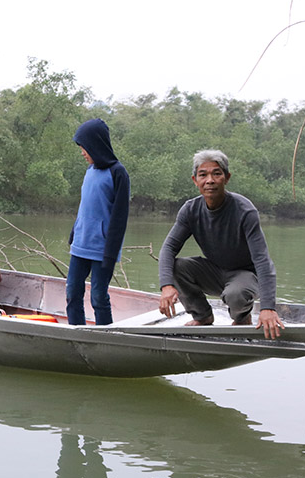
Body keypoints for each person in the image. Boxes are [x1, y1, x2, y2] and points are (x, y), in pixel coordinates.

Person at [158, 149, 285, 339]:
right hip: (215, 272)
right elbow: (168, 248)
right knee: (176, 267)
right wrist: (166, 285)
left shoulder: (244, 210)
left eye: (216, 174)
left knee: (236, 294)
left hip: (246, 277)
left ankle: (242, 317)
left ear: (226, 178)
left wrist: (268, 307)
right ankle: (203, 316)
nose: (210, 180)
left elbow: (262, 260)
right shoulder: (190, 210)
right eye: (203, 175)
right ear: (195, 180)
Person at [66, 118, 130, 325]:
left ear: (96, 144)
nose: (82, 152)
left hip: (103, 250)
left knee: (98, 297)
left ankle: (106, 335)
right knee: (72, 293)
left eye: (84, 147)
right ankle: (76, 332)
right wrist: (74, 233)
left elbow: (120, 218)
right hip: (80, 246)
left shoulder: (118, 173)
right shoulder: (89, 172)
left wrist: (111, 254)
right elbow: (85, 207)